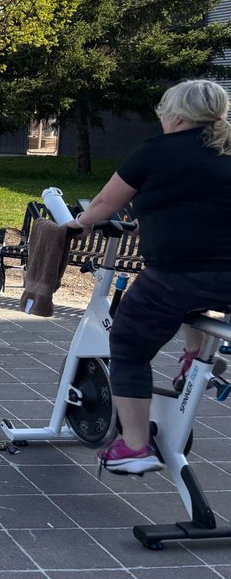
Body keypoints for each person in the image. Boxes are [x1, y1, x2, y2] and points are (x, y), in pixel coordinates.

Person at [66, 79, 231, 474]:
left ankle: (135, 446)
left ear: (176, 116)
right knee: (189, 302)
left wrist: (79, 223)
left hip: (179, 274)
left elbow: (105, 202)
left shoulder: (155, 152)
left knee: (128, 344)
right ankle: (194, 357)